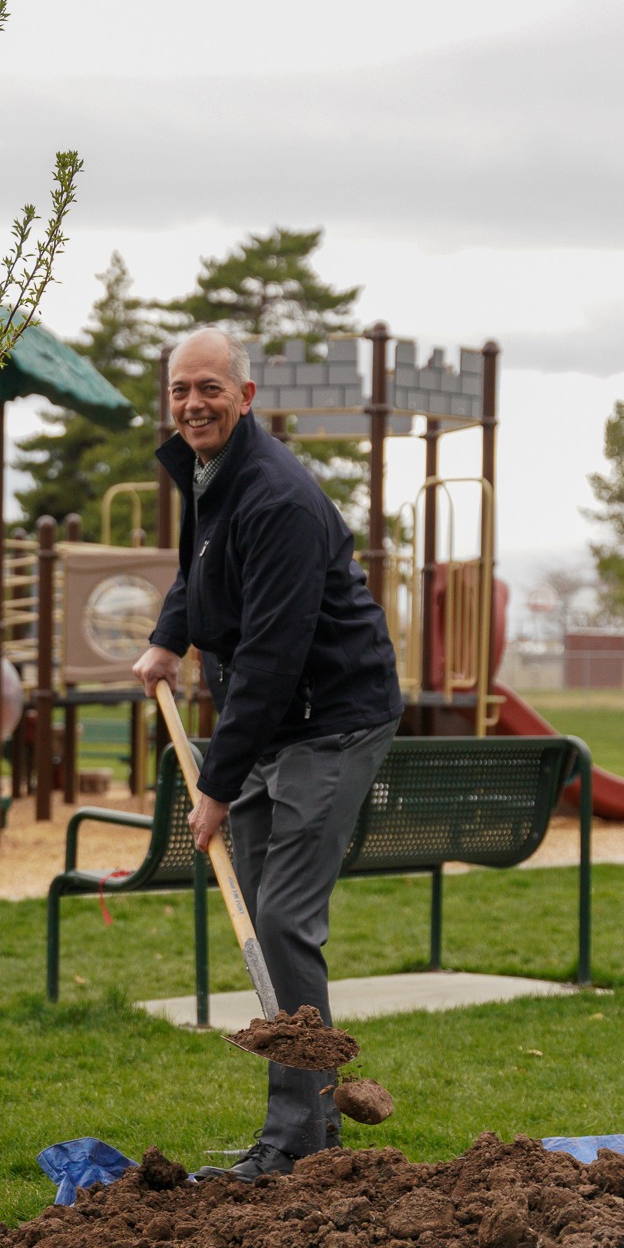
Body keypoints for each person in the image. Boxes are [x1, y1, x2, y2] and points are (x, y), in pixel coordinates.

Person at [132, 326, 403, 1181]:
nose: (193, 404)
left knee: (282, 918)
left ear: (245, 396)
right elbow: (201, 572)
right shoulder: (209, 471)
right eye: (180, 389)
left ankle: (298, 1135)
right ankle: (305, 1126)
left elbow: (274, 656)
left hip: (331, 718)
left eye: (210, 388)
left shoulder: (277, 498)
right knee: (255, 903)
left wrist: (215, 784)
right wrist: (168, 639)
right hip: (273, 716)